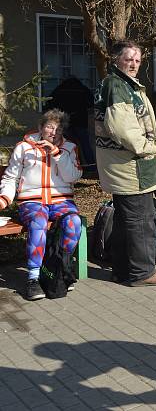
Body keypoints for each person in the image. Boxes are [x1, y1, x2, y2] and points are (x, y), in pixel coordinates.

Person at [94, 40, 156, 287]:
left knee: (125, 221)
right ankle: (142, 273)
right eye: (129, 59)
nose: (134, 64)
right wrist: (148, 147)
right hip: (130, 167)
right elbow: (122, 129)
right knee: (139, 221)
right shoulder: (117, 86)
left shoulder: (123, 85)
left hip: (127, 166)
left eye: (138, 60)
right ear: (116, 59)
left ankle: (121, 269)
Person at [0, 109, 83, 301]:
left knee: (73, 223)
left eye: (59, 129)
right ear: (40, 127)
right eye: (50, 127)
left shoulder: (69, 148)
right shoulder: (24, 147)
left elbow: (73, 176)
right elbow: (11, 177)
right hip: (32, 201)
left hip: (61, 200)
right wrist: (4, 198)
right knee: (38, 222)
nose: (54, 133)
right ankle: (33, 278)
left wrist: (56, 154)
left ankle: (58, 267)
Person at [44, 76, 95, 171]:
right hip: (81, 121)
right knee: (85, 145)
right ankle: (91, 166)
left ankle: (73, 165)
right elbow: (91, 103)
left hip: (65, 122)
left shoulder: (60, 90)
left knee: (68, 145)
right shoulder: (82, 89)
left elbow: (50, 102)